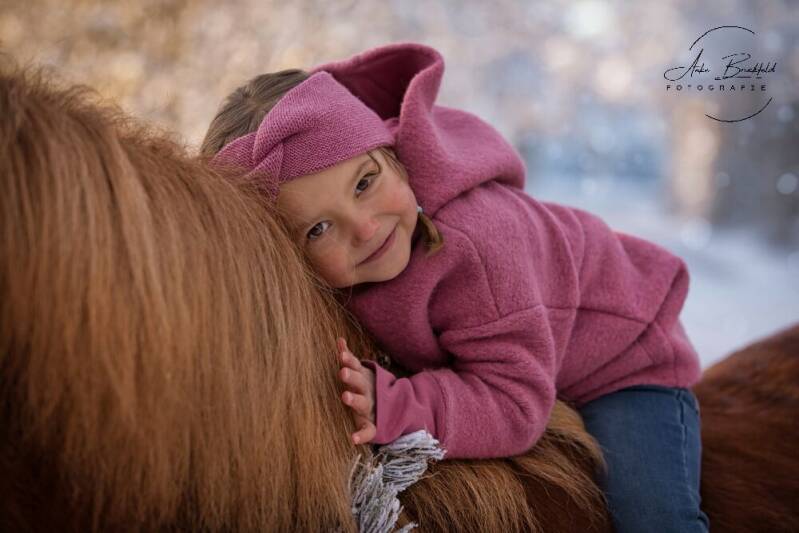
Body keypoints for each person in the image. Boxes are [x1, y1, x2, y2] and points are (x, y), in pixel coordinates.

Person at [201, 42, 710, 532]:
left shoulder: (478, 249)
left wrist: (402, 404)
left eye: (364, 183)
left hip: (625, 359)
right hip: (524, 343)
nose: (363, 227)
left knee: (654, 518)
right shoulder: (357, 260)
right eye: (318, 228)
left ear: (394, 155)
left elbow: (516, 405)